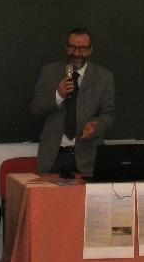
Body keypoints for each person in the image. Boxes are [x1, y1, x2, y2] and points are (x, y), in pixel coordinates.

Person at [30, 27, 114, 175]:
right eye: (72, 47)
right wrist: (58, 95)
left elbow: (108, 114)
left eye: (82, 49)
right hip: (53, 158)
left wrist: (96, 125)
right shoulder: (49, 72)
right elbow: (35, 108)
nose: (76, 53)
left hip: (89, 158)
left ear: (90, 50)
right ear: (66, 47)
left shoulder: (104, 77)